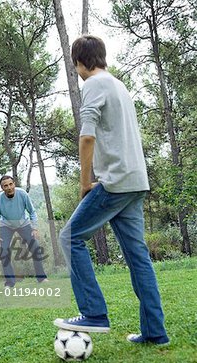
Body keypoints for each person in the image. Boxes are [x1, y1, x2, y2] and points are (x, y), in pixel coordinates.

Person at [54, 36, 169, 345]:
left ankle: (93, 312)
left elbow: (87, 136)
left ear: (80, 62)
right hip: (136, 181)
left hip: (115, 182)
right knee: (137, 257)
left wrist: (84, 182)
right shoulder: (118, 85)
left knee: (70, 237)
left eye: (75, 64)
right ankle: (155, 332)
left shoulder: (92, 84)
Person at [0, 175, 48, 287]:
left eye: (11, 184)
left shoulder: (22, 194)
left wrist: (35, 227)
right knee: (4, 252)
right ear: (2, 188)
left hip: (23, 224)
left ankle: (41, 278)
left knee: (35, 248)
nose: (9, 187)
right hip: (6, 225)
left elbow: (32, 212)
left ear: (14, 184)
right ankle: (10, 283)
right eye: (5, 186)